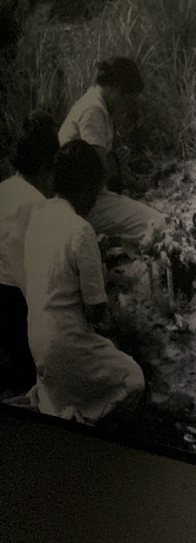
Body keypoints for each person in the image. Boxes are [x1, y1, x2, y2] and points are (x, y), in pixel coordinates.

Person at [22, 140, 145, 424]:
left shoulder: (37, 217)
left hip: (36, 339)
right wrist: (102, 276)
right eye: (95, 192)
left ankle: (56, 398)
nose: (94, 201)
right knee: (133, 378)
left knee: (93, 358)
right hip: (64, 342)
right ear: (85, 188)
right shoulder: (80, 229)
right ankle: (79, 416)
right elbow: (95, 311)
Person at [58, 56, 167, 245]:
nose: (125, 105)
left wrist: (118, 165)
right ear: (116, 87)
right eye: (126, 98)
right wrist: (115, 164)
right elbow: (97, 173)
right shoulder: (94, 110)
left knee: (147, 221)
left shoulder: (95, 103)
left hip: (81, 197)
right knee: (158, 225)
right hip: (81, 203)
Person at [0, 111, 59, 394]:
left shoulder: (5, 187)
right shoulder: (35, 203)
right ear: (48, 166)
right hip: (11, 301)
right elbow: (28, 274)